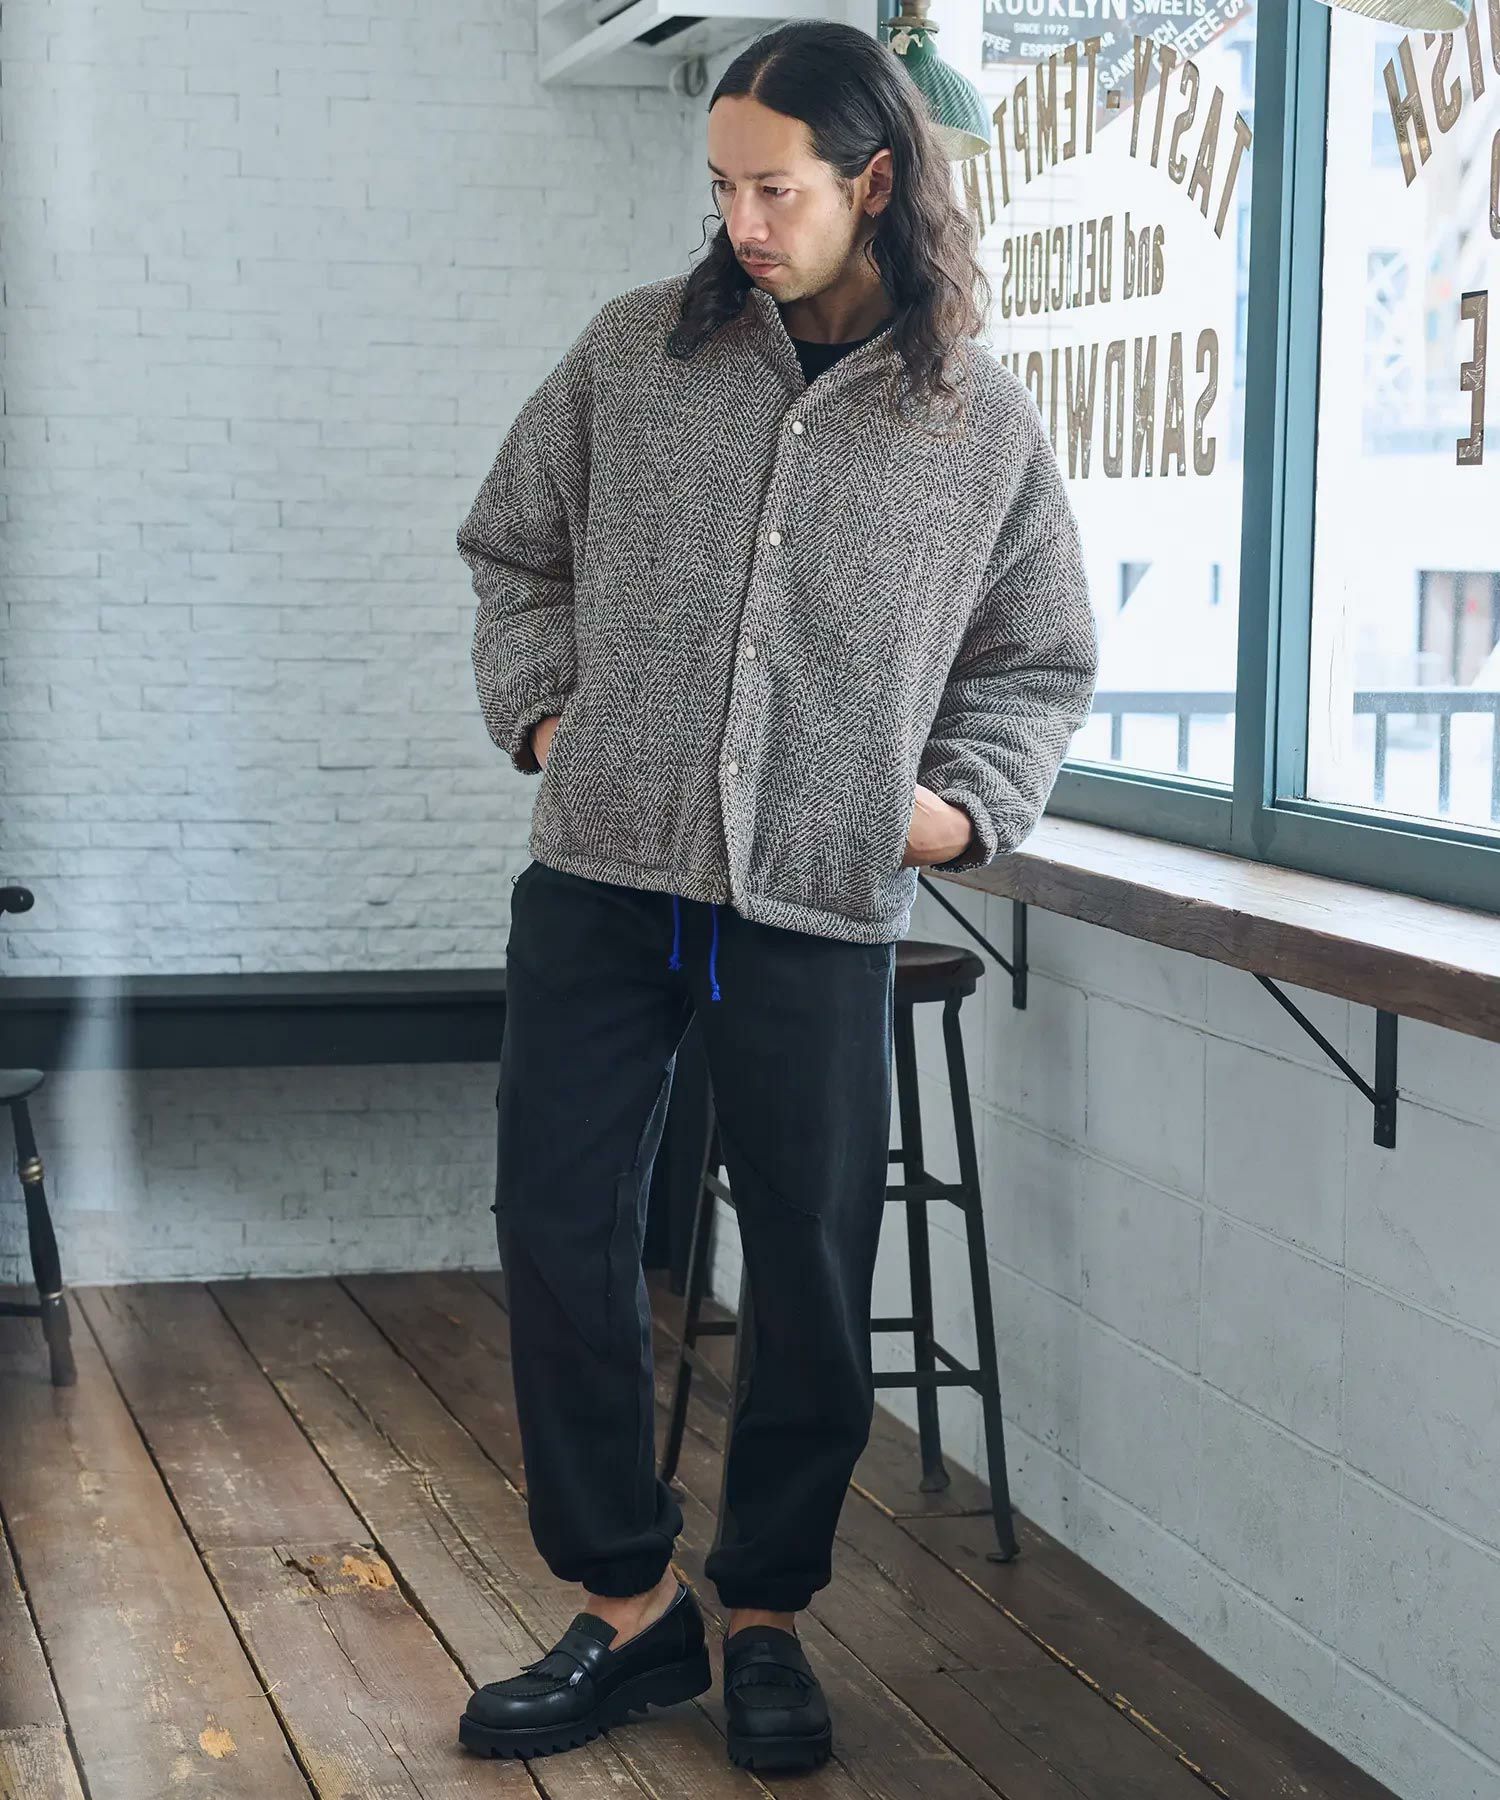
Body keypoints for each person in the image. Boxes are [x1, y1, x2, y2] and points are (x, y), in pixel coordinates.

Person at [454, 17, 1098, 1774]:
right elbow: (511, 548)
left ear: (873, 181)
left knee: (810, 1264)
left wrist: (958, 814)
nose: (740, 221)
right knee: (557, 1226)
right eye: (722, 187)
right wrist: (549, 715)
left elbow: (1039, 659)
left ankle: (764, 1618)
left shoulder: (975, 424)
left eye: (776, 189)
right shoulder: (632, 357)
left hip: (816, 894)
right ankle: (625, 1603)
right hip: (604, 876)